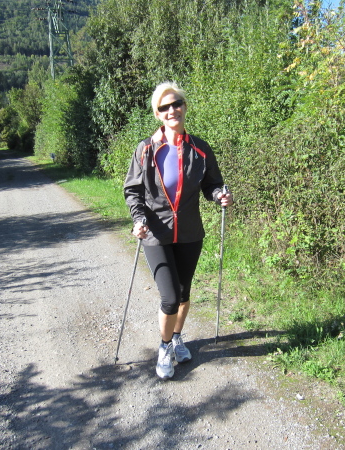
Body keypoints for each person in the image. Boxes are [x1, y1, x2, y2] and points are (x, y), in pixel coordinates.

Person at [124, 82, 233, 380]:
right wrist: (138, 219)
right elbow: (133, 190)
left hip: (189, 233)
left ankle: (176, 337)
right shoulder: (146, 149)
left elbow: (212, 184)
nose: (172, 110)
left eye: (177, 104)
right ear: (157, 114)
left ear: (185, 107)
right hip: (155, 234)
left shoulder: (200, 148)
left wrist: (219, 195)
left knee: (184, 294)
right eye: (164, 107)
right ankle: (164, 347)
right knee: (170, 297)